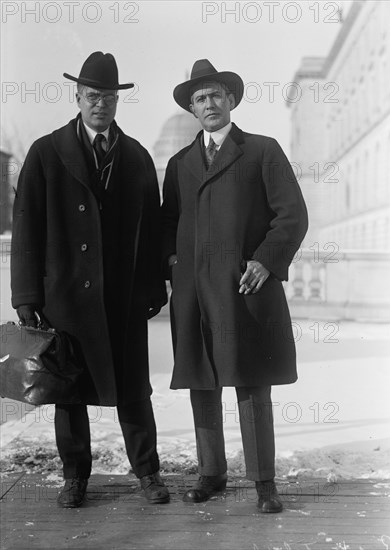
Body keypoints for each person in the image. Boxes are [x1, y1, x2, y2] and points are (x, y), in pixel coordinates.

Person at [11, 52, 170, 508]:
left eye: (109, 97)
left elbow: (153, 230)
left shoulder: (136, 156)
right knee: (70, 393)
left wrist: (153, 287)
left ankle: (148, 473)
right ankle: (74, 476)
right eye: (93, 95)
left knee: (135, 389)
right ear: (78, 97)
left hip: (121, 298)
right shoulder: (46, 151)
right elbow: (26, 228)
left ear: (118, 102)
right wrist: (26, 295)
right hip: (66, 297)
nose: (101, 104)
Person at [161, 59, 308, 513]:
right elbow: (169, 226)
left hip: (245, 289)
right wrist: (173, 267)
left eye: (216, 96)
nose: (209, 104)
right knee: (202, 382)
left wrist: (265, 261)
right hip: (195, 295)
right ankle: (212, 473)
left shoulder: (262, 151)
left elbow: (292, 216)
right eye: (200, 98)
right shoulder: (180, 163)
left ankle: (264, 482)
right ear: (191, 108)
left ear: (231, 101)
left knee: (252, 383)